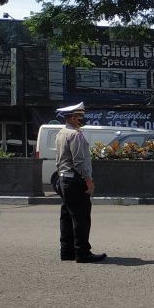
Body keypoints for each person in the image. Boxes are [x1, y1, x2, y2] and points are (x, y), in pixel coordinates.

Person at [54, 102, 106, 263]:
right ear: (70, 117)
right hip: (75, 179)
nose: (80, 120)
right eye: (78, 117)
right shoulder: (75, 135)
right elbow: (79, 161)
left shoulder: (61, 133)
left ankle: (67, 251)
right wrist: (89, 181)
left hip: (64, 178)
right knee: (81, 217)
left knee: (67, 217)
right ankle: (82, 252)